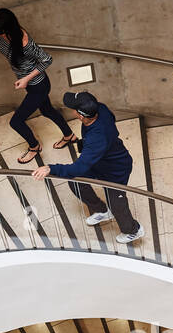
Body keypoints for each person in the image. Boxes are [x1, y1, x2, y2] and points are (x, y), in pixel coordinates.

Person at [32, 91, 143, 244]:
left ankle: (133, 230)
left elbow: (78, 168)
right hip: (99, 161)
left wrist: (51, 168)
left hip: (116, 169)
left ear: (81, 115)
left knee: (117, 202)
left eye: (73, 108)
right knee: (76, 182)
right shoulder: (100, 109)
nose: (71, 110)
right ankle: (102, 210)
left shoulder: (97, 138)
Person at [0, 8, 75, 164]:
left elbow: (47, 59)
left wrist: (26, 79)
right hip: (30, 85)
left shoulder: (25, 43)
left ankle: (34, 147)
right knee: (47, 110)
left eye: (0, 33)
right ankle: (69, 135)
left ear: (9, 29)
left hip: (39, 85)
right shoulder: (0, 35)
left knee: (16, 122)